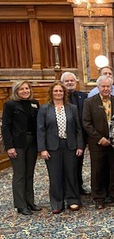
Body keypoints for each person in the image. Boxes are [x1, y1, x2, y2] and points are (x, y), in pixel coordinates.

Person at [37, 82, 84, 214]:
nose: (58, 93)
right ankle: (57, 202)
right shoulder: (44, 109)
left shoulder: (72, 108)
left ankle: (73, 199)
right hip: (52, 147)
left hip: (70, 146)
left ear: (64, 93)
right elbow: (40, 130)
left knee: (71, 173)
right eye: (56, 91)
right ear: (51, 93)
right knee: (55, 175)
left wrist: (80, 145)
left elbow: (78, 129)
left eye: (60, 91)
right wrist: (42, 149)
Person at [82, 75, 114, 209]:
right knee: (98, 170)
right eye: (103, 86)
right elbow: (86, 123)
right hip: (97, 143)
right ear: (98, 87)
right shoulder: (89, 102)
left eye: (108, 86)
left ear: (111, 87)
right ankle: (99, 197)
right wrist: (100, 138)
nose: (106, 89)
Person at [1, 81, 40, 215]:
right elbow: (5, 126)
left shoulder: (34, 103)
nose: (25, 91)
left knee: (29, 173)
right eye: (21, 89)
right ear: (16, 91)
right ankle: (20, 204)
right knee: (19, 174)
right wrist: (9, 147)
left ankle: (30, 202)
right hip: (17, 144)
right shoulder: (10, 105)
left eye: (27, 88)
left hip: (32, 143)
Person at [61, 71, 90, 195]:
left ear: (76, 82)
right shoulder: (60, 96)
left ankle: (78, 186)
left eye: (71, 81)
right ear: (62, 83)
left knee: (78, 162)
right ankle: (67, 189)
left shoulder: (83, 96)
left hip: (80, 135)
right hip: (65, 136)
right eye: (67, 81)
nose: (69, 83)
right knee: (66, 164)